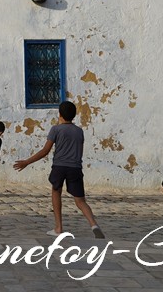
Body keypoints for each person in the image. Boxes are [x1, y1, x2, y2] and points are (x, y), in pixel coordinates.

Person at [13, 100, 105, 238]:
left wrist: (27, 162)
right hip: (75, 167)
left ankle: (58, 228)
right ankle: (93, 224)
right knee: (80, 201)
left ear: (60, 114)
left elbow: (45, 151)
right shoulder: (79, 131)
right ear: (74, 115)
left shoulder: (56, 129)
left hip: (59, 167)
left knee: (56, 193)